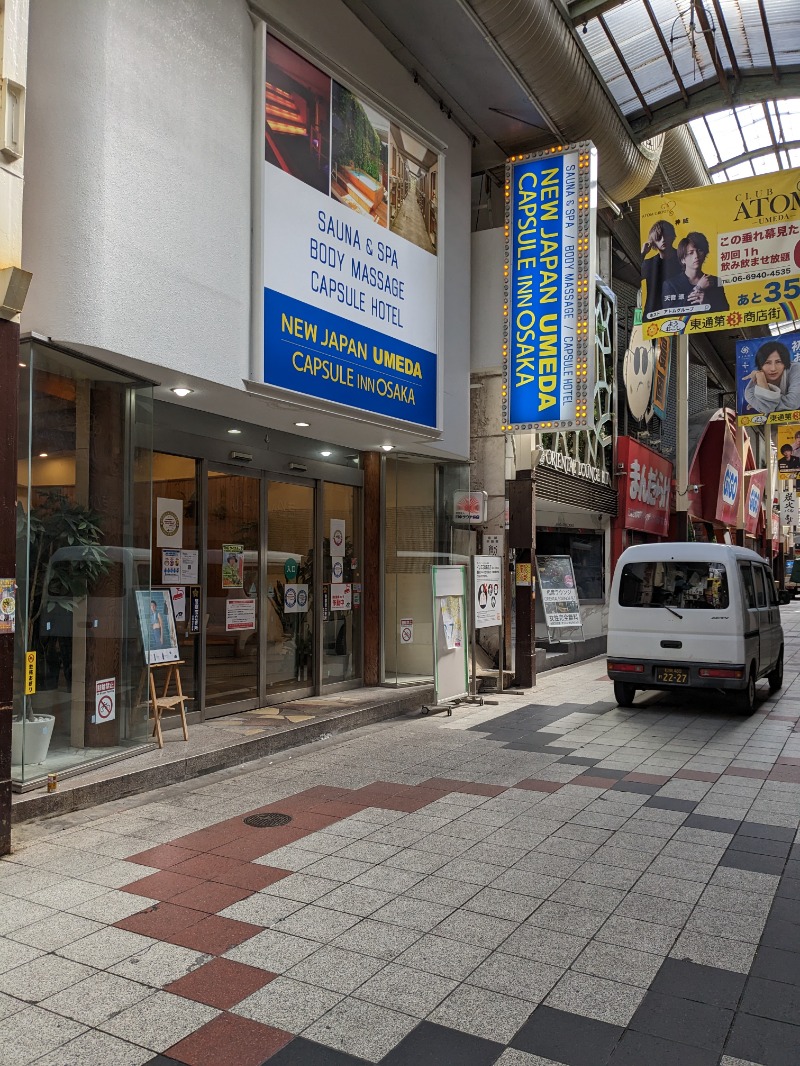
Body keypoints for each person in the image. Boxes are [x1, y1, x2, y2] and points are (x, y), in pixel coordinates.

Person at [661, 232, 729, 313]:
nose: (696, 256)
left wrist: (706, 304)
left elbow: (725, 311)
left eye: (700, 251)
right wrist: (698, 288)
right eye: (691, 253)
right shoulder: (670, 285)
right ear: (683, 259)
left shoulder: (715, 281)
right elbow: (669, 313)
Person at [744, 340, 800, 415]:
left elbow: (793, 402)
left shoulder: (796, 368)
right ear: (760, 366)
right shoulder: (750, 392)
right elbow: (766, 408)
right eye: (767, 363)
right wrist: (762, 382)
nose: (773, 368)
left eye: (778, 362)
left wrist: (762, 402)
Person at [640, 220, 682, 319]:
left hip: (680, 311)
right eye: (658, 237)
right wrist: (643, 253)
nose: (663, 239)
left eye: (666, 235)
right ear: (653, 241)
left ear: (672, 236)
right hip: (654, 315)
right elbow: (635, 277)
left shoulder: (683, 259)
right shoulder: (649, 263)